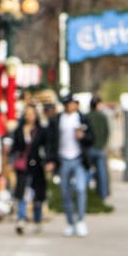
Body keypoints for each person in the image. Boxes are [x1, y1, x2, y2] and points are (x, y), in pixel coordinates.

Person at [50, 93, 93, 237]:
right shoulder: (57, 120)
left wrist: (83, 136)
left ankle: (80, 220)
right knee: (65, 192)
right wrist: (50, 160)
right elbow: (52, 142)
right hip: (63, 159)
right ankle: (70, 222)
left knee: (80, 189)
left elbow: (92, 138)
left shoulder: (82, 118)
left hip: (79, 159)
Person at [7, 102, 50, 234]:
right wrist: (10, 159)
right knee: (22, 193)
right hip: (23, 166)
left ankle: (37, 220)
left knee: (37, 194)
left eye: (32, 114)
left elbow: (46, 147)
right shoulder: (19, 130)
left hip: (37, 165)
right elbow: (14, 147)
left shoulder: (41, 131)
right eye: (27, 114)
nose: (29, 116)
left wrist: (48, 162)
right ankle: (21, 219)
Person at [88, 97, 113, 202]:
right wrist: (103, 145)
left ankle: (86, 194)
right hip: (100, 149)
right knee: (102, 173)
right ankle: (102, 196)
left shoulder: (87, 116)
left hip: (89, 148)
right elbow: (107, 133)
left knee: (86, 171)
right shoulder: (103, 117)